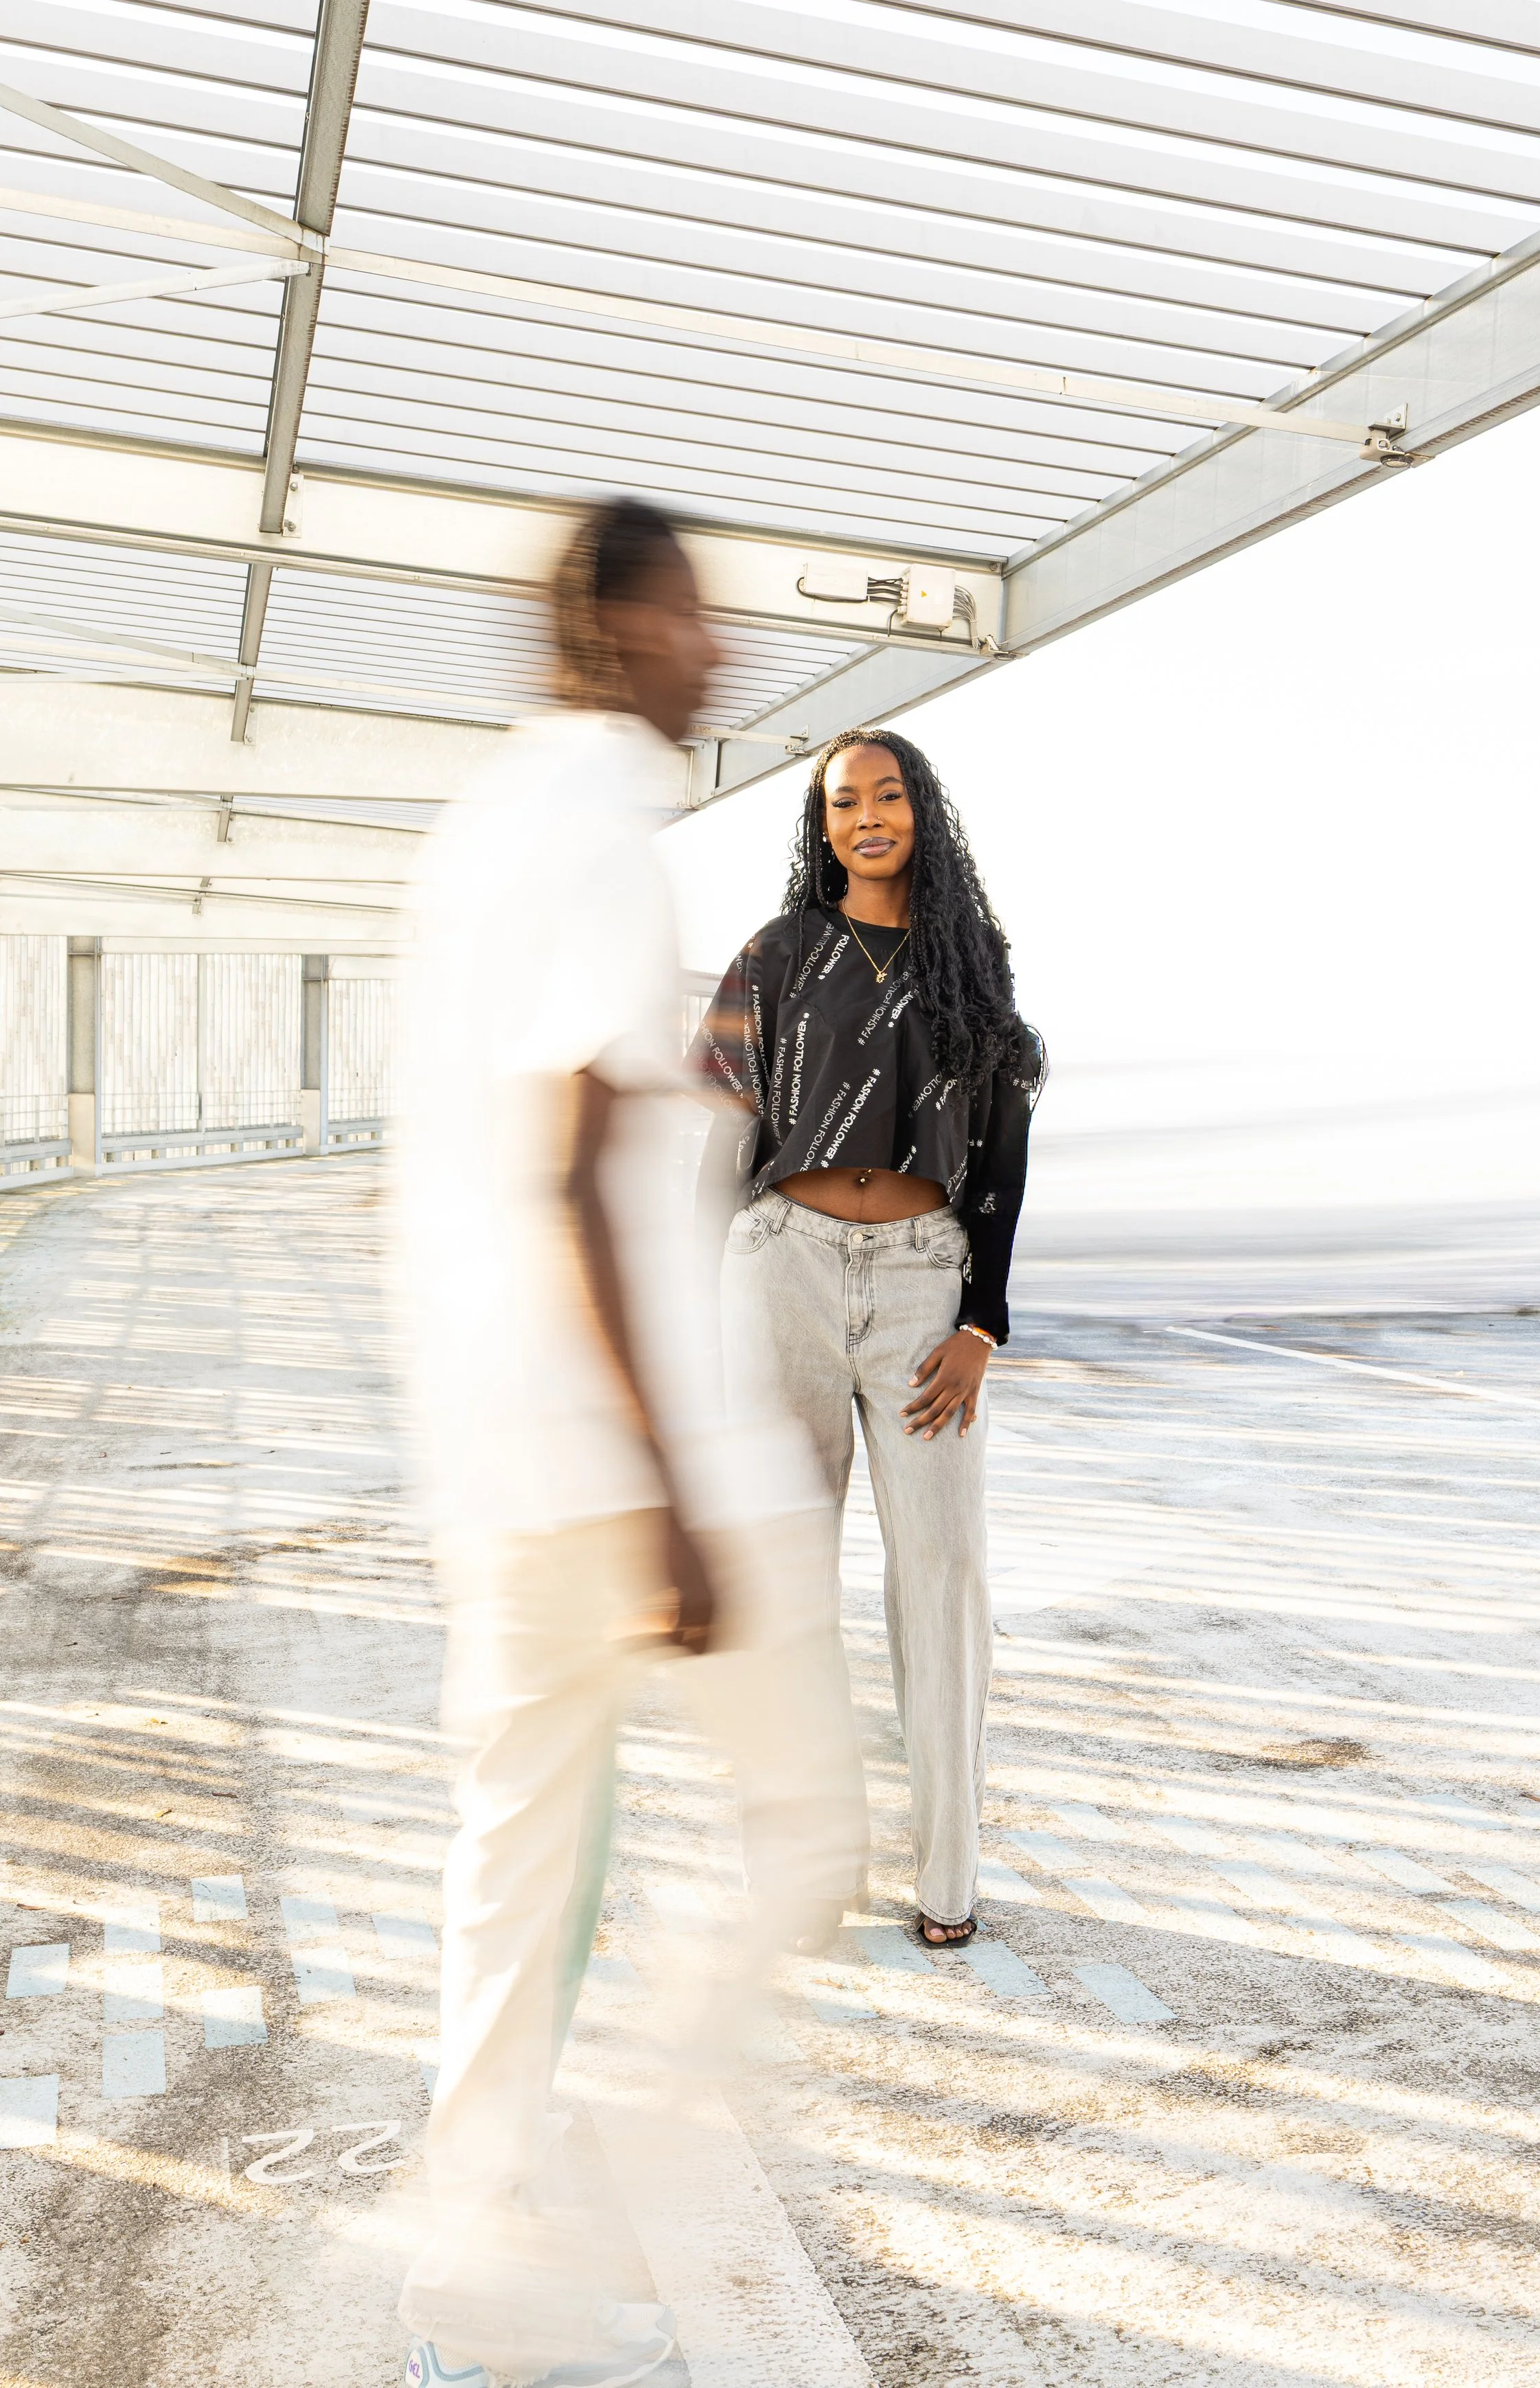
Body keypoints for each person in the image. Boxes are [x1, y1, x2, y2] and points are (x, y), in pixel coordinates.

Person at [395, 499, 866, 2388]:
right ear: (614, 623)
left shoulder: (474, 833)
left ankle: (469, 2236)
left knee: (509, 1874)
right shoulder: (601, 831)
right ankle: (595, 2202)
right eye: (692, 618)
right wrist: (674, 1492)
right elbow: (577, 1158)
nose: (720, 653)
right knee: (805, 1830)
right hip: (625, 1471)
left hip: (496, 1471)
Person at [695, 727, 1042, 1948]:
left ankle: (948, 1880)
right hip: (779, 1269)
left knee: (943, 1581)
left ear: (921, 811)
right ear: (823, 825)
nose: (868, 816)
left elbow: (1001, 1158)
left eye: (889, 794)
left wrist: (982, 1325)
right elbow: (721, 1145)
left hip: (920, 1287)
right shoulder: (778, 952)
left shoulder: (974, 962)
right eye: (846, 801)